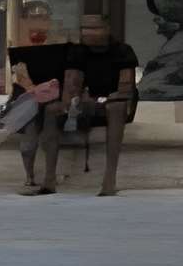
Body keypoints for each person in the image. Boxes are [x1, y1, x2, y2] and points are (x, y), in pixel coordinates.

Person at [40, 10, 144, 197]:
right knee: (51, 110)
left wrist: (103, 100)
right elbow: (72, 82)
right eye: (84, 28)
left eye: (94, 28)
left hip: (117, 100)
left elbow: (125, 87)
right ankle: (49, 179)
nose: (88, 32)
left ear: (106, 29)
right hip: (88, 98)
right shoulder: (77, 51)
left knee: (116, 107)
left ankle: (109, 179)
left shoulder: (122, 51)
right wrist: (73, 102)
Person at [0, 2, 67, 177]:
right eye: (34, 16)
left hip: (52, 97)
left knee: (49, 138)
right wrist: (32, 88)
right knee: (28, 142)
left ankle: (48, 176)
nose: (39, 20)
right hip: (31, 96)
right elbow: (19, 75)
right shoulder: (21, 44)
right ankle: (30, 175)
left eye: (43, 16)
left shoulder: (59, 41)